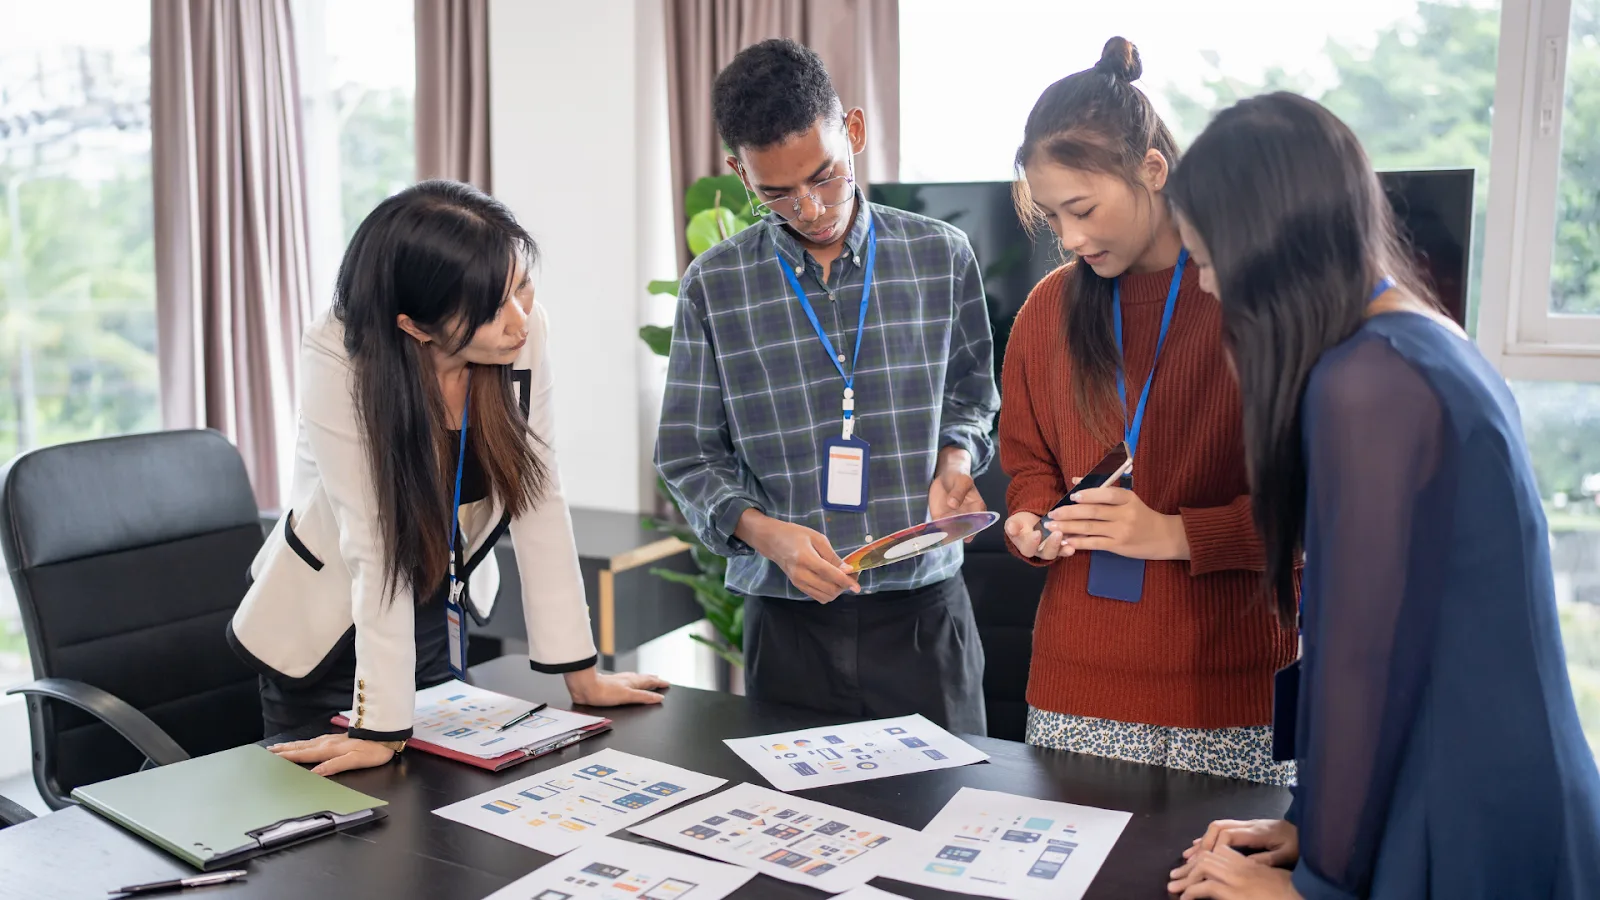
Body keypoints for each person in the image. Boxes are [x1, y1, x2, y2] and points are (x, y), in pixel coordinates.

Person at [1165, 93, 1600, 899]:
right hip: (1460, 783)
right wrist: (1309, 825)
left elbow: (1363, 663)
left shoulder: (1369, 383)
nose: (1206, 285)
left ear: (1268, 249)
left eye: (1209, 257)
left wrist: (1315, 884)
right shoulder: (1409, 339)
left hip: (1470, 812)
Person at [228, 181, 667, 775]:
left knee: (441, 815)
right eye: (492, 307)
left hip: (436, 608)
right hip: (331, 630)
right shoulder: (338, 353)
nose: (519, 319)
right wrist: (378, 726)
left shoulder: (524, 331)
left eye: (521, 287)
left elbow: (539, 494)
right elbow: (373, 541)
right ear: (415, 326)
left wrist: (580, 673)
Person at [655, 39, 999, 734]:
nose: (809, 208)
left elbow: (971, 398)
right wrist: (763, 532)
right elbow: (688, 455)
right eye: (774, 192)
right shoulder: (714, 285)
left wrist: (956, 460)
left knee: (951, 823)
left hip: (924, 616)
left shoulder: (942, 257)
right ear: (738, 174)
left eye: (826, 176)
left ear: (857, 133)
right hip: (789, 627)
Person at [997, 37, 1296, 783]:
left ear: (1153, 172)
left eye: (1082, 209)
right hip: (1075, 686)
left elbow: (1314, 513)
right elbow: (1028, 458)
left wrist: (1174, 535)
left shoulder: (1249, 298)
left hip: (1231, 694)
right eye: (1051, 217)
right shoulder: (1046, 310)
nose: (1068, 238)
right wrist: (1029, 520)